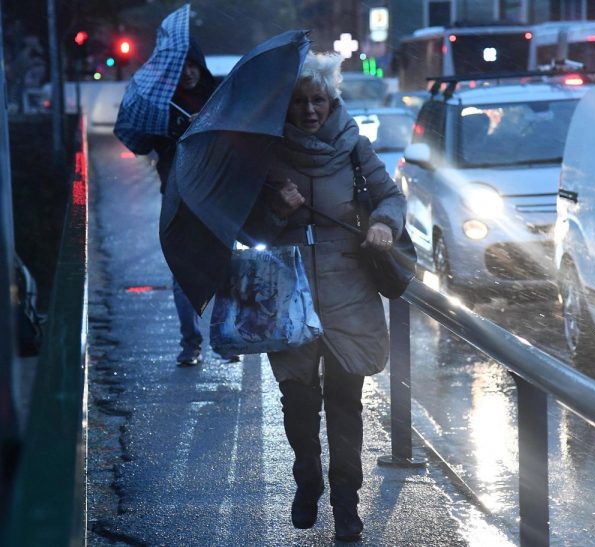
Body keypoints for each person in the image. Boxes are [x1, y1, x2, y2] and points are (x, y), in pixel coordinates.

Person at [242, 51, 406, 542]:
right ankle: (307, 478)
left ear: (331, 100)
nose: (309, 110)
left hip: (349, 297)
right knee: (297, 404)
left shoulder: (354, 148)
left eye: (318, 100)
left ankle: (347, 505)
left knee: (344, 405)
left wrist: (382, 224)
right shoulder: (266, 158)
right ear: (285, 107)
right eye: (299, 102)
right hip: (289, 299)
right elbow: (248, 229)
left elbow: (391, 197)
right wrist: (275, 207)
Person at [151, 39, 219, 367]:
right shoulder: (162, 106)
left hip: (216, 195)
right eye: (182, 66)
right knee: (182, 272)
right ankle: (190, 342)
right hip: (178, 197)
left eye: (193, 65)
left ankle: (225, 337)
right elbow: (155, 150)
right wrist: (180, 131)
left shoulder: (218, 97)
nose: (188, 73)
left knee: (224, 266)